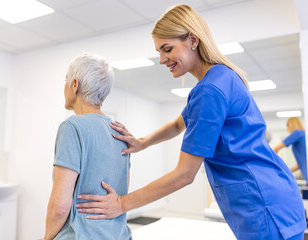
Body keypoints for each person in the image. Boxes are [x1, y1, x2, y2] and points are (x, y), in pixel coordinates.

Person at [75, 5, 306, 240]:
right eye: (159, 52)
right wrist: (141, 142)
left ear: (193, 40)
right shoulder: (220, 77)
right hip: (277, 195)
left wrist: (121, 203)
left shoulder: (210, 90)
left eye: (167, 49)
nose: (162, 59)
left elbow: (185, 174)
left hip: (264, 204)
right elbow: (178, 124)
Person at [43, 53, 132, 240]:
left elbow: (59, 206)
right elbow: (121, 192)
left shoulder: (72, 127)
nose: (64, 87)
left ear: (75, 84)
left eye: (65, 80)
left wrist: (46, 238)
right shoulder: (121, 133)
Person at [273, 117, 307, 183]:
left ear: (290, 126)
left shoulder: (297, 133)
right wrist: (285, 171)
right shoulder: (303, 134)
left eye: (287, 127)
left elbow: (277, 147)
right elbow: (300, 164)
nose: (287, 129)